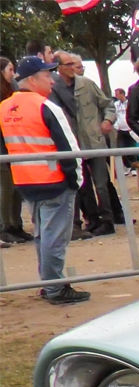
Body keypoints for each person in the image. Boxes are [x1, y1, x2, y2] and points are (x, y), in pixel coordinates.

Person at [0, 55, 89, 304]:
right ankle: (54, 287)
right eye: (47, 75)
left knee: (43, 235)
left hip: (25, 181)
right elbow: (69, 148)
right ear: (32, 79)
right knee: (54, 236)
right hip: (54, 180)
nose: (52, 80)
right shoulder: (46, 106)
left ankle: (49, 282)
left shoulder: (4, 107)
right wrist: (76, 180)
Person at [53, 51, 122, 234]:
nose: (73, 68)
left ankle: (108, 220)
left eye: (73, 64)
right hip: (72, 144)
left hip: (93, 141)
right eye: (68, 64)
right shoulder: (53, 88)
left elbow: (108, 104)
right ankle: (91, 219)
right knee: (81, 185)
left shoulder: (87, 84)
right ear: (59, 67)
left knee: (101, 183)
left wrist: (107, 121)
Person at [0, 56, 32, 245]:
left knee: (16, 189)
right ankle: (5, 227)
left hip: (14, 146)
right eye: (10, 70)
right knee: (6, 189)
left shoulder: (13, 92)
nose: (13, 74)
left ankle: (16, 225)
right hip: (3, 148)